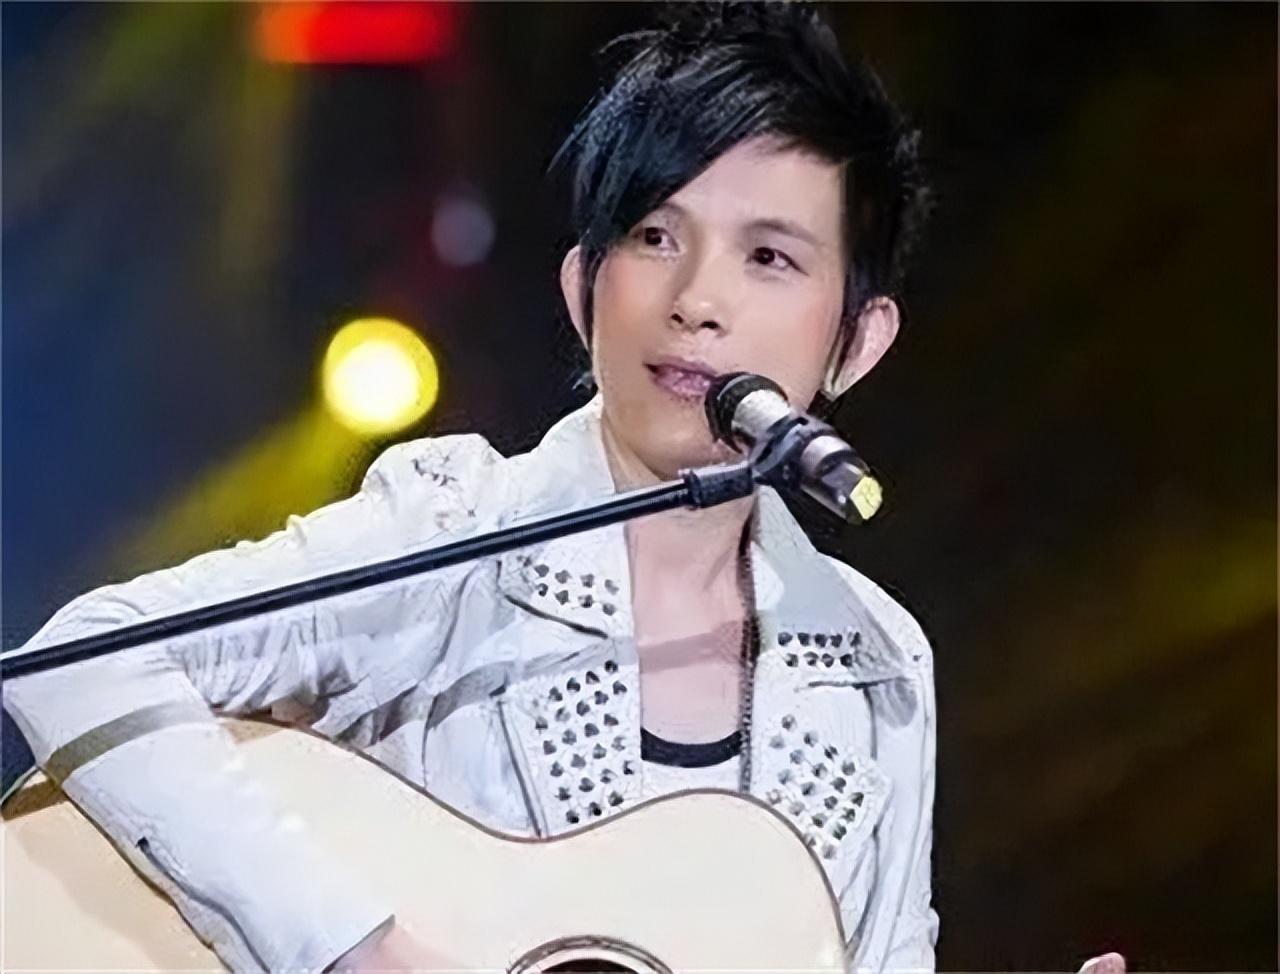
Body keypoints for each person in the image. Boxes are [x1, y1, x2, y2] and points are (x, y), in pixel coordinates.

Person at [5, 5, 1123, 973]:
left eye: (769, 257)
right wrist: (349, 944)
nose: (697, 300)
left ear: (858, 341)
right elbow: (83, 659)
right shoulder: (455, 531)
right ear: (584, 285)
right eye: (655, 236)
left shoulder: (879, 663)